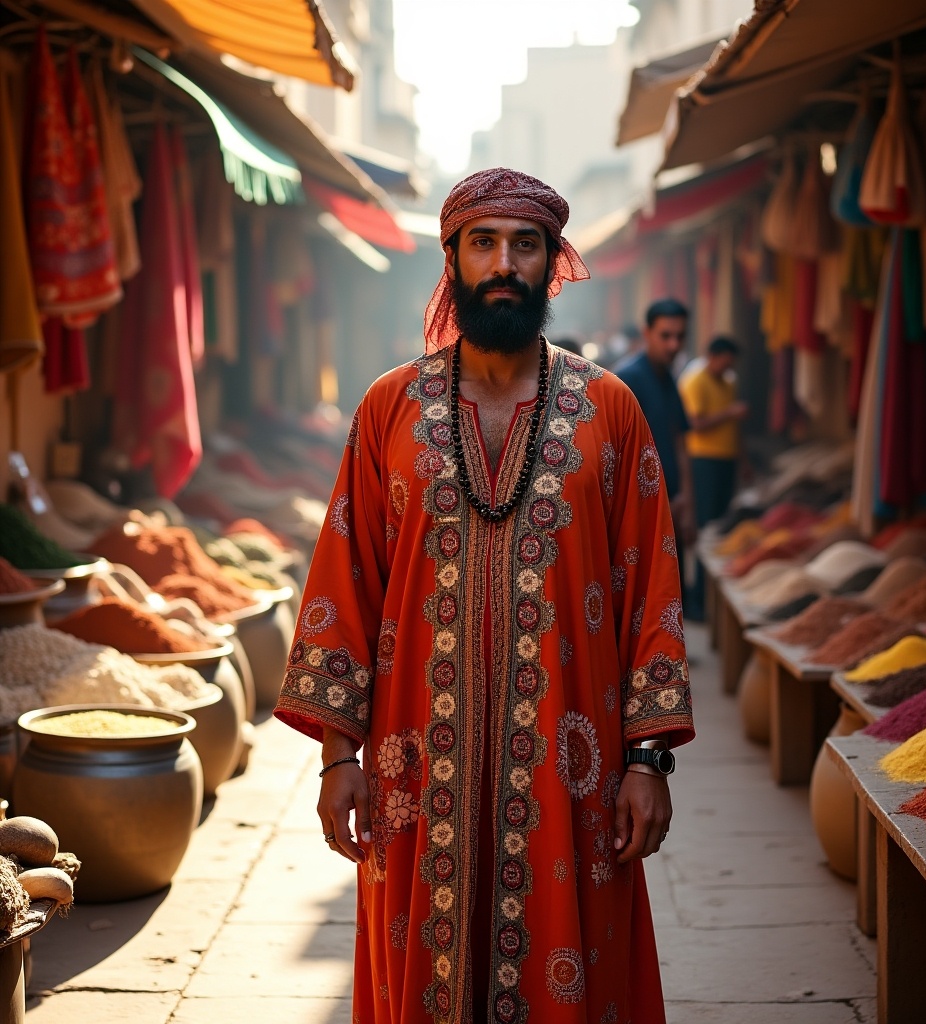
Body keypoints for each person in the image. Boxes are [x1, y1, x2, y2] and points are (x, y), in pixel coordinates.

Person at [274, 167, 694, 1024]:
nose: (505, 263)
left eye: (525, 245)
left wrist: (648, 760)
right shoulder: (388, 410)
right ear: (453, 259)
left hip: (574, 784)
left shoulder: (609, 409)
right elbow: (344, 586)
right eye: (485, 243)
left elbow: (650, 587)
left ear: (551, 263)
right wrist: (335, 757)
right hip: (412, 779)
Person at [615, 299, 695, 581]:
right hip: (641, 515)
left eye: (680, 337)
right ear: (646, 333)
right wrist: (654, 505)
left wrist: (686, 498)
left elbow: (678, 438)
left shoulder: (668, 376)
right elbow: (615, 458)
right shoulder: (626, 381)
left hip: (672, 507)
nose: (674, 345)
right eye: (665, 336)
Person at [679, 334, 748, 620]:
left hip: (725, 460)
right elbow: (695, 424)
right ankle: (698, 600)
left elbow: (733, 429)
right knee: (705, 528)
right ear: (712, 356)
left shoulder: (727, 381)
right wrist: (730, 413)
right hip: (703, 461)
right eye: (724, 362)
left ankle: (710, 600)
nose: (726, 367)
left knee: (719, 529)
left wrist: (742, 459)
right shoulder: (695, 380)